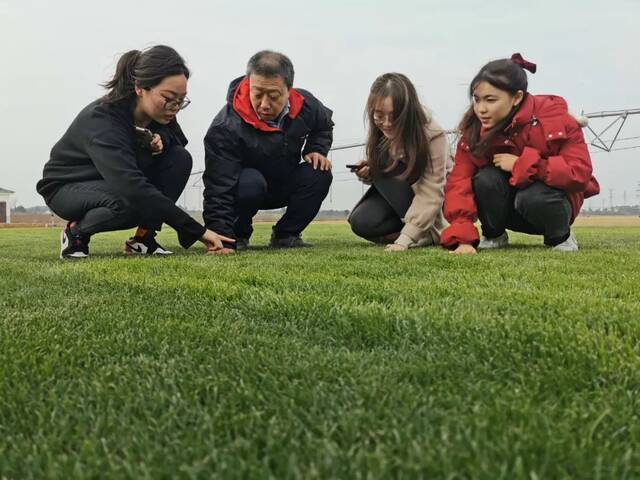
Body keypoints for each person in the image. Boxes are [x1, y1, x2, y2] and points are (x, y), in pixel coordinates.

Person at [36, 45, 232, 259]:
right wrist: (197, 231)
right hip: (67, 187)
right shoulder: (102, 120)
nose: (175, 107)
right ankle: (76, 233)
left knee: (179, 158)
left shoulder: (161, 115)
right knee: (131, 202)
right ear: (140, 87)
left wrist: (161, 139)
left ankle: (143, 238)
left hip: (114, 183)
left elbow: (177, 141)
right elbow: (132, 187)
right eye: (168, 98)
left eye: (181, 100)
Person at [441, 53, 599, 254]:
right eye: (477, 99)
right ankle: (494, 235)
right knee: (485, 179)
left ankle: (560, 237)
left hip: (547, 205)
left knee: (533, 196)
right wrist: (462, 238)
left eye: (490, 100)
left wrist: (523, 165)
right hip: (507, 209)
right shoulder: (474, 131)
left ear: (516, 97)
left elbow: (579, 173)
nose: (481, 109)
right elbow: (459, 182)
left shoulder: (557, 119)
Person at [202, 50, 334, 253]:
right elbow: (218, 186)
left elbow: (324, 125)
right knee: (250, 181)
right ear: (248, 84)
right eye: (257, 94)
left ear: (288, 89)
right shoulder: (226, 126)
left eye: (273, 96)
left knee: (319, 172)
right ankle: (237, 235)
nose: (264, 105)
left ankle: (286, 234)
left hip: (284, 183)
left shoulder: (306, 105)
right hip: (246, 188)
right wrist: (221, 237)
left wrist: (316, 149)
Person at [348, 73, 452, 251]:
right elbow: (389, 177)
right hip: (403, 199)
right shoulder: (381, 134)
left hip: (437, 201)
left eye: (394, 116)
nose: (387, 123)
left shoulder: (432, 134)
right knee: (362, 222)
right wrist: (370, 173)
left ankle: (425, 232)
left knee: (388, 162)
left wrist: (404, 240)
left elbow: (431, 193)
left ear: (408, 111)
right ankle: (419, 233)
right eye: (379, 115)